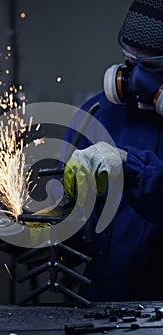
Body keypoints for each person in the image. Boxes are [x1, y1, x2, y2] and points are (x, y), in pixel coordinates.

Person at [61, 0, 163, 302]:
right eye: (129, 62)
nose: (136, 79)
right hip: (103, 308)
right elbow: (77, 231)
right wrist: (41, 236)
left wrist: (131, 168)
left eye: (151, 66)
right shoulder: (95, 115)